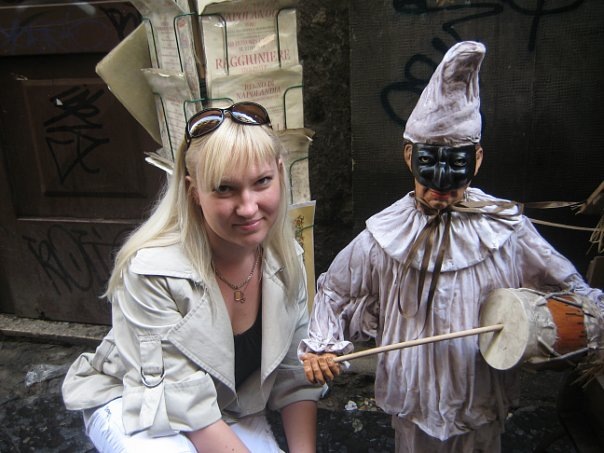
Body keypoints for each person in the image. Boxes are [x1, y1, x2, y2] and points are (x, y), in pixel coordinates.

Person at [299, 41, 603, 452]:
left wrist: (585, 319)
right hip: (414, 400)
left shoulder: (506, 229)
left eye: (456, 163)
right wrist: (321, 346)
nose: (441, 181)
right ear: (409, 155)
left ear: (476, 159)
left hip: (480, 394)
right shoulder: (383, 235)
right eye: (429, 162)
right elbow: (335, 291)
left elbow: (570, 287)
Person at [62, 102, 322, 453]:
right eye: (224, 188)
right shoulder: (151, 271)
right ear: (193, 190)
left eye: (262, 182)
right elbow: (182, 400)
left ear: (279, 171)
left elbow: (295, 376)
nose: (248, 207)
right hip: (137, 401)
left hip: (227, 404)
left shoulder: (287, 259)